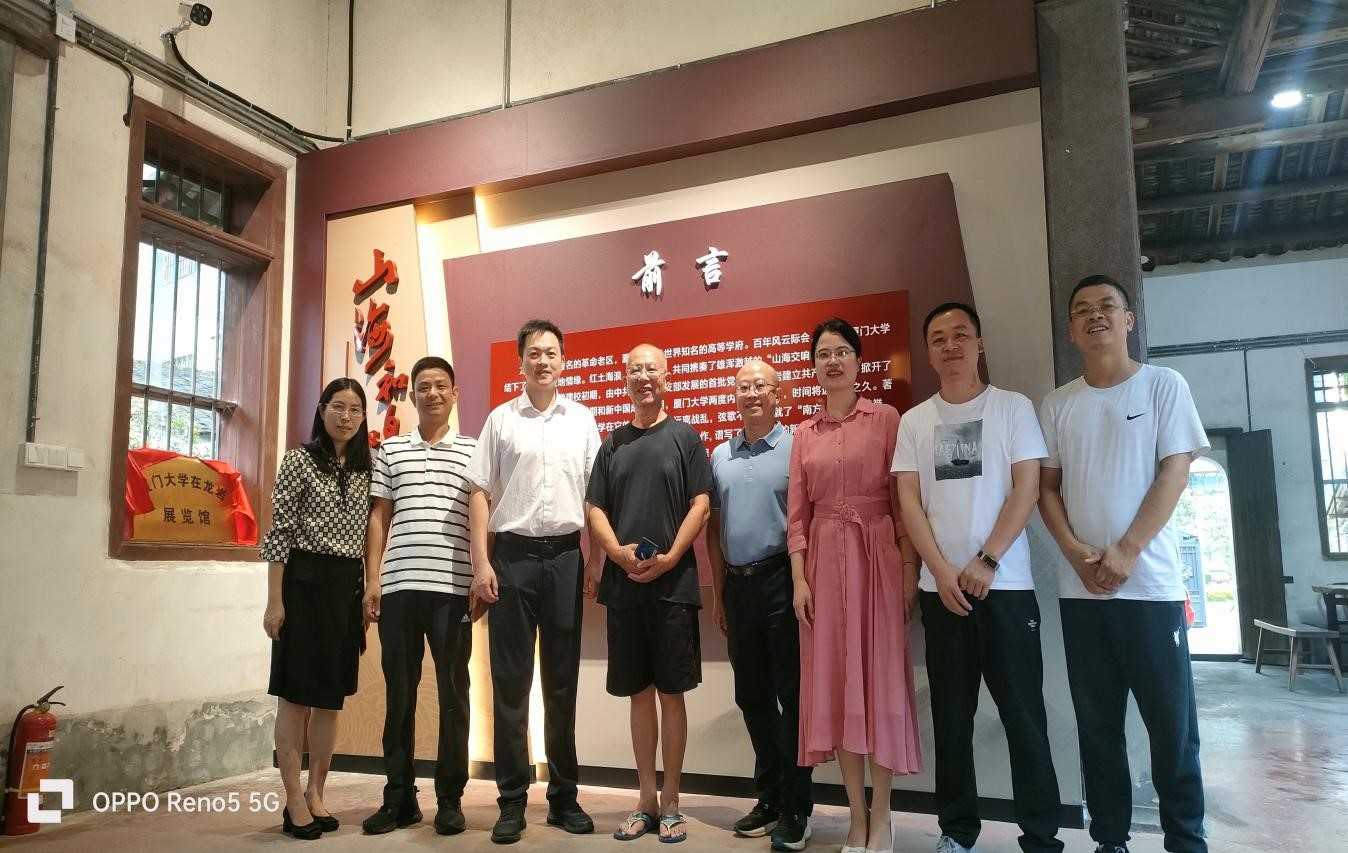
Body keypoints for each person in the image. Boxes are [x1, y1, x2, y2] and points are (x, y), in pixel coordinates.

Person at [1038, 275, 1209, 853]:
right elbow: (1047, 489)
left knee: (1172, 728)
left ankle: (1186, 841)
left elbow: (1176, 471)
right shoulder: (1058, 403)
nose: (1095, 316)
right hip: (1082, 592)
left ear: (1128, 319)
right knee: (1097, 728)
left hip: (1151, 590)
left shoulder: (1163, 385)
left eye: (1106, 306)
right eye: (1082, 310)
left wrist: (1128, 550)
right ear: (1070, 329)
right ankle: (1110, 839)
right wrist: (1073, 551)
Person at [892, 303, 1062, 853]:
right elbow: (909, 501)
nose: (951, 345)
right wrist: (940, 571)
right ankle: (957, 831)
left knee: (1024, 717)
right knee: (952, 721)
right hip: (941, 594)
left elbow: (1027, 487)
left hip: (1006, 590)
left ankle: (1041, 836)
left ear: (979, 343)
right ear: (928, 351)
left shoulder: (1012, 408)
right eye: (938, 338)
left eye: (961, 335)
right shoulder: (915, 421)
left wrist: (987, 560)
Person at [465, 319, 601, 843]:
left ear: (563, 361)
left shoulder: (582, 420)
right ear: (520, 362)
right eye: (534, 353)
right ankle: (511, 800)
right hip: (512, 560)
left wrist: (594, 559)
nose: (543, 361)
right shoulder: (501, 420)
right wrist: (482, 563)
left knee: (562, 684)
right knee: (510, 684)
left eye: (551, 352)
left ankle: (564, 798)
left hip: (565, 557)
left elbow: (594, 499)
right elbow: (479, 491)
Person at [788, 317, 921, 853]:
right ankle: (856, 817)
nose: (833, 361)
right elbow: (796, 517)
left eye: (842, 351)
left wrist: (908, 571)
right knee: (837, 685)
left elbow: (903, 503)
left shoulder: (886, 419)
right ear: (814, 366)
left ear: (859, 361)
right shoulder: (803, 433)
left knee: (880, 682)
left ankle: (883, 815)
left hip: (877, 560)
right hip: (822, 566)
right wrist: (799, 580)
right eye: (823, 353)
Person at [585, 343, 712, 845]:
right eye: (634, 369)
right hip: (625, 589)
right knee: (638, 694)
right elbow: (595, 507)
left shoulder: (685, 438)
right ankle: (645, 800)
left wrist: (673, 556)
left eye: (651, 369)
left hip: (673, 588)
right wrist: (616, 553)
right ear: (626, 378)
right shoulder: (612, 444)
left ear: (666, 377)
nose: (643, 377)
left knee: (671, 694)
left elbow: (701, 504)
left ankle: (673, 802)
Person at [360, 356, 478, 837]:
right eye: (423, 387)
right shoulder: (391, 451)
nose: (432, 394)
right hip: (399, 588)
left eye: (441, 386)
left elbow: (483, 519)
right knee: (399, 695)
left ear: (455, 394)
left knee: (454, 695)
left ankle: (449, 798)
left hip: (453, 589)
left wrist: (480, 574)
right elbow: (379, 517)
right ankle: (399, 797)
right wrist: (372, 579)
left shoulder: (474, 451)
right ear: (412, 396)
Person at [707, 359, 813, 852]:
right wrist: (719, 592)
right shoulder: (720, 454)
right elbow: (714, 528)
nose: (750, 394)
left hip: (781, 581)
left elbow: (808, 520)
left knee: (792, 697)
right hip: (738, 586)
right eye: (742, 387)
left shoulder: (797, 447)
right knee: (751, 696)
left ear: (778, 394)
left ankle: (796, 806)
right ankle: (769, 797)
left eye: (760, 386)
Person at [261, 377, 373, 840]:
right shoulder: (298, 461)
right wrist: (275, 600)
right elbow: (279, 534)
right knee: (295, 698)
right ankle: (292, 799)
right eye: (337, 407)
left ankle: (316, 794)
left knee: (329, 700)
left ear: (363, 417)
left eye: (355, 409)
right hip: (303, 585)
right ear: (322, 410)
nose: (346, 417)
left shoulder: (369, 468)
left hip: (346, 589)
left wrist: (367, 590)